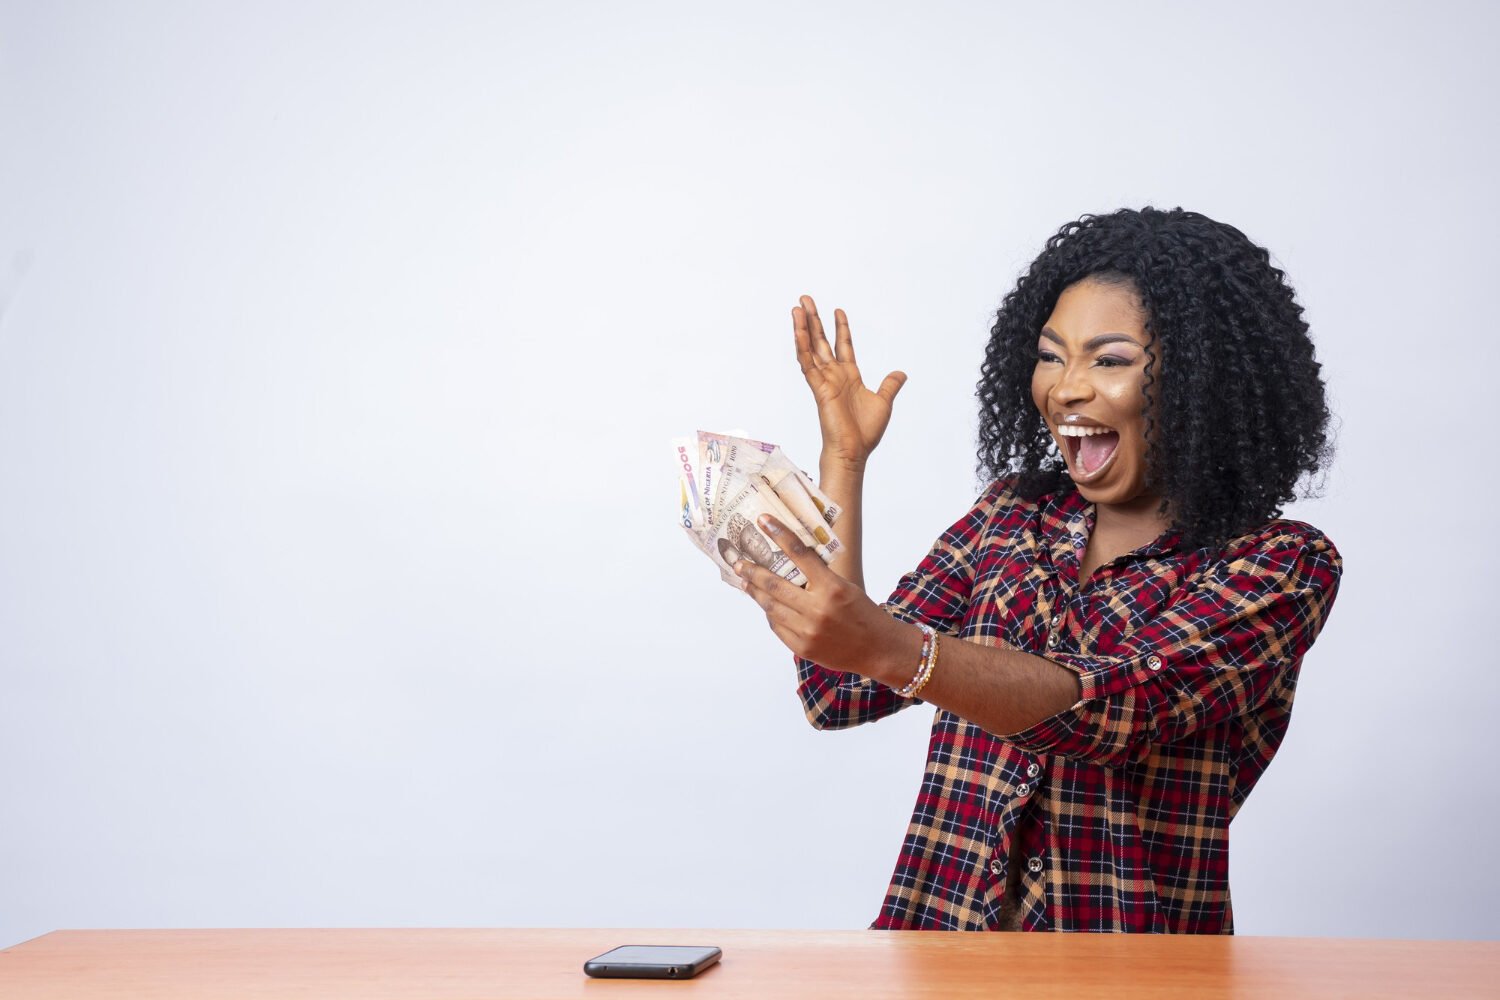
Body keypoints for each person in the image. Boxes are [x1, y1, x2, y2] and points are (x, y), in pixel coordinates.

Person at [731, 207, 1342, 933]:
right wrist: (845, 461)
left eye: (1108, 360)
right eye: (1051, 355)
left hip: (1135, 979)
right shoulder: (1011, 517)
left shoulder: (1280, 567)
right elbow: (841, 689)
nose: (1066, 389)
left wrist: (897, 649)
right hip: (940, 967)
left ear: (1205, 382)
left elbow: (1110, 707)